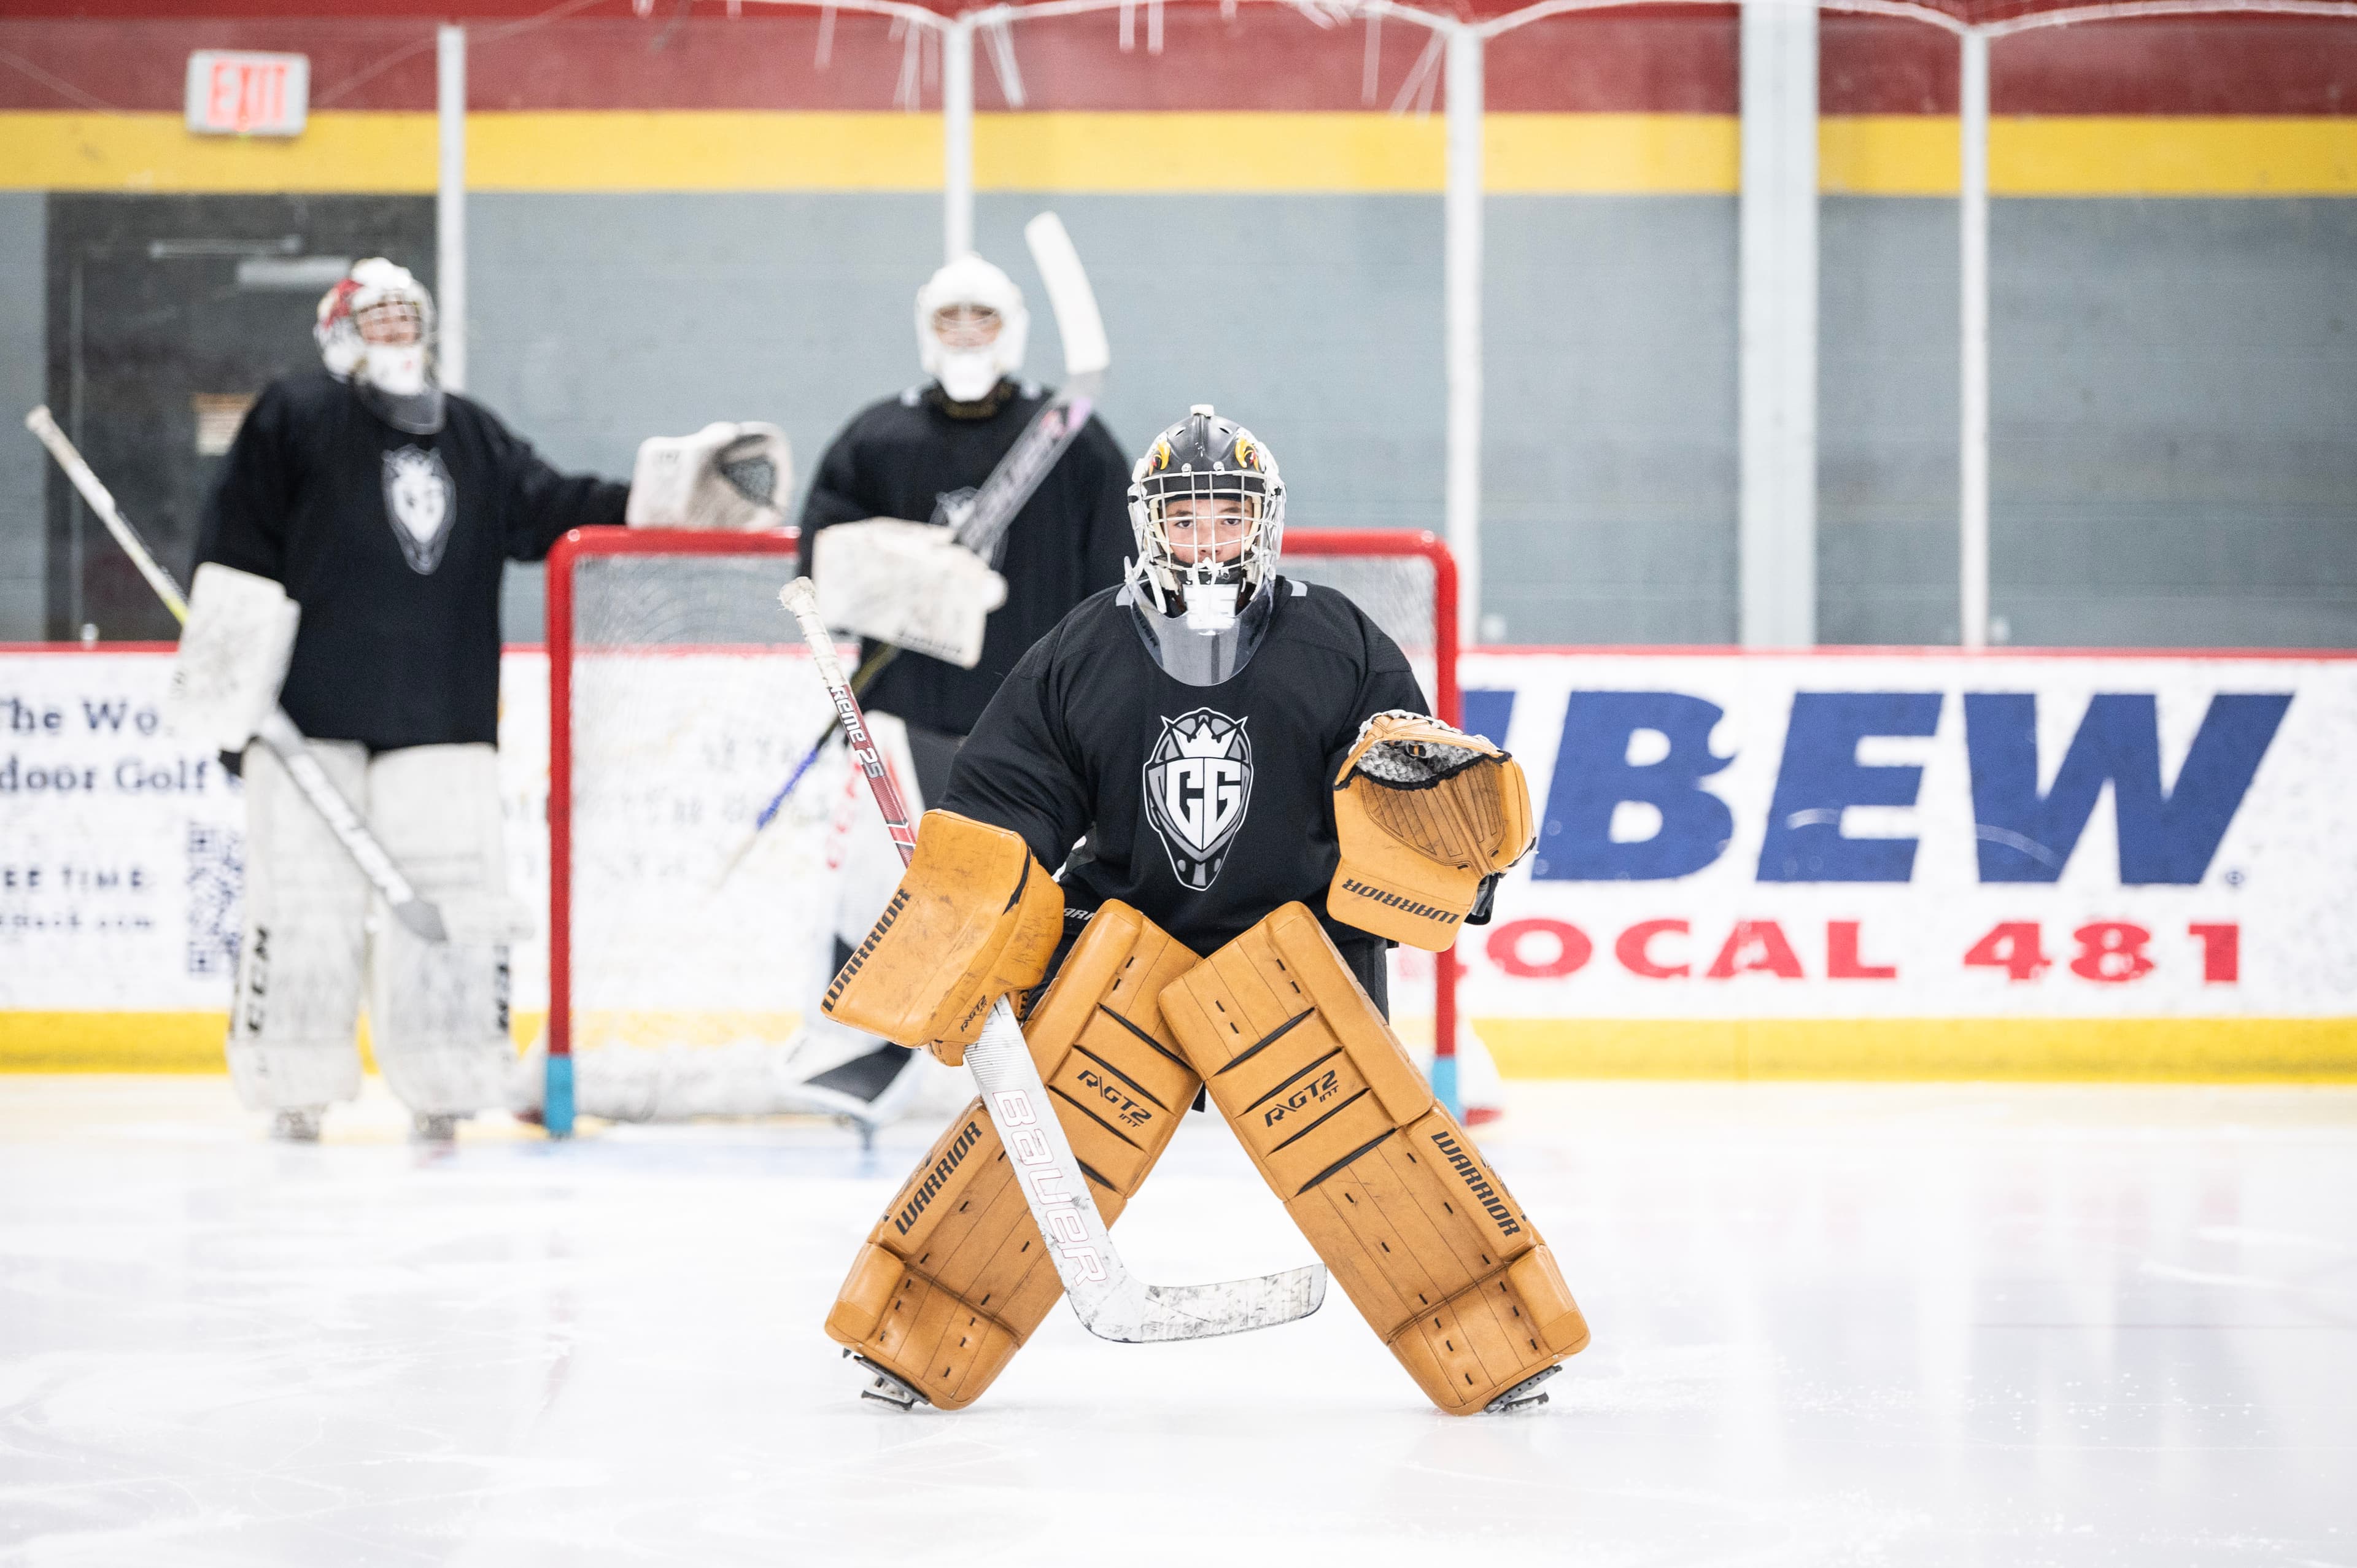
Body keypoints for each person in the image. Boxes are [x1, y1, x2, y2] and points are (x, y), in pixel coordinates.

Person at [813, 407, 1589, 1415]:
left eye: (1228, 518)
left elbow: (1404, 790)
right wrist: (966, 901)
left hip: (1298, 947)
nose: (1208, 540)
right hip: (1129, 944)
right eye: (1189, 520)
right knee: (1030, 1145)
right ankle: (910, 1338)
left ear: (1263, 524)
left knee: (1381, 1157)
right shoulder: (1083, 647)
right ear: (1151, 525)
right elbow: (1007, 806)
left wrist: (1457, 858)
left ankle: (1499, 1341)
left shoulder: (1338, 640)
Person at [176, 258, 785, 1143]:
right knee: (303, 902)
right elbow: (233, 547)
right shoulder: (295, 414)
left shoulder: (468, 433)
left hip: (443, 717)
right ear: (337, 331)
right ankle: (292, 1085)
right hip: (306, 721)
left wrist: (679, 494)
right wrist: (234, 702)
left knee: (456, 903)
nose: (392, 330)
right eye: (373, 316)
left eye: (404, 315)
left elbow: (555, 508)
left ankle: (447, 1083)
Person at [781, 250, 1132, 1126]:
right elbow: (819, 569)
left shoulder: (1072, 440)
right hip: (909, 715)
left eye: (982, 318)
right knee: (880, 885)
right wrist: (902, 575)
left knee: (1041, 893)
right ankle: (857, 1056)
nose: (967, 336)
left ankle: (1056, 1061)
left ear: (1011, 327)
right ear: (925, 331)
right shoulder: (876, 439)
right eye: (950, 321)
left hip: (1037, 723)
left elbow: (1115, 584)